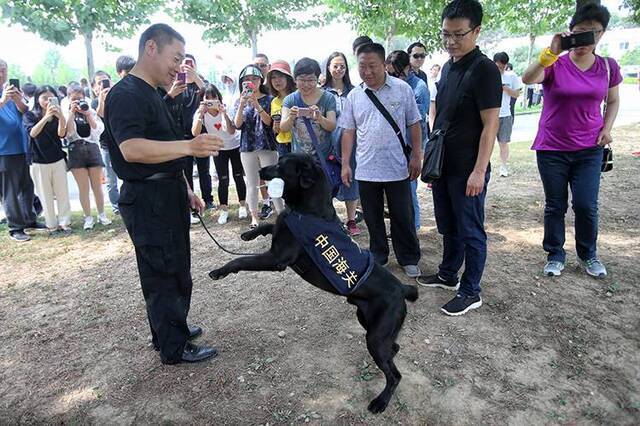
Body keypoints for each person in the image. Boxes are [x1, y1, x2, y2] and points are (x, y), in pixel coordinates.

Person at [104, 23, 223, 365]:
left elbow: (166, 148)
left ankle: (171, 330)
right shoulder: (126, 94)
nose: (179, 67)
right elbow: (131, 149)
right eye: (176, 58)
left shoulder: (154, 93)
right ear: (152, 48)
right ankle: (174, 346)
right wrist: (190, 145)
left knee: (175, 268)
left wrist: (186, 189)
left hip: (167, 190)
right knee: (163, 272)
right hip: (147, 198)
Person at [522, 3, 621, 279]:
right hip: (552, 147)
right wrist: (551, 52)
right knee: (555, 204)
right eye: (578, 33)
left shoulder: (608, 67)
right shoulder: (556, 63)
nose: (584, 40)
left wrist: (607, 127)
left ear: (602, 34)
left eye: (592, 33)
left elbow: (612, 101)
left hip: (590, 148)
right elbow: (527, 78)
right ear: (569, 33)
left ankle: (588, 254)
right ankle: (555, 253)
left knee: (587, 205)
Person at [416, 0, 501, 317]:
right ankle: (448, 274)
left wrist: (479, 171)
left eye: (458, 34)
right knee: (447, 224)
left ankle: (471, 291)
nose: (451, 41)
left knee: (471, 229)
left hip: (468, 168)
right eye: (445, 34)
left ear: (476, 31)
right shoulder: (449, 66)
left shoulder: (485, 70)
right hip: (444, 166)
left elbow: (490, 125)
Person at [340, 43, 423, 278]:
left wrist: (417, 155)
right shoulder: (354, 95)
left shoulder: (402, 89)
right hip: (366, 169)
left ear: (383, 64)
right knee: (373, 217)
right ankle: (379, 255)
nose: (367, 72)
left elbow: (414, 123)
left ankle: (408, 257)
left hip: (397, 167)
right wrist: (346, 163)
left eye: (372, 66)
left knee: (402, 216)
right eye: (362, 66)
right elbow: (348, 131)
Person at [233, 64, 283, 229]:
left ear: (261, 80)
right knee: (252, 183)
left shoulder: (270, 100)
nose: (250, 82)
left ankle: (281, 215)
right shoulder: (239, 101)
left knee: (273, 181)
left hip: (267, 145)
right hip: (247, 147)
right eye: (246, 80)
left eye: (254, 79)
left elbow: (269, 122)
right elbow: (237, 125)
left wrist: (257, 104)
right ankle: (254, 216)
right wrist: (242, 104)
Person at [385, 50, 430, 232]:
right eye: (389, 73)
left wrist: (416, 155)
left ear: (407, 68)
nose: (392, 77)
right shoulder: (389, 86)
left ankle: (413, 227)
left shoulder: (419, 88)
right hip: (393, 146)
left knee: (409, 189)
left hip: (411, 146)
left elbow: (416, 123)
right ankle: (400, 227)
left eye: (396, 73)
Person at [0, 59, 45, 242]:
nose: (2, 73)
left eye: (4, 69)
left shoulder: (12, 91)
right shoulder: (4, 96)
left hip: (22, 146)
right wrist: (3, 100)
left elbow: (26, 112)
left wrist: (18, 100)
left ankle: (29, 219)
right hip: (4, 150)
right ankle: (15, 227)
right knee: (10, 190)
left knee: (27, 186)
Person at [163, 54, 213, 216]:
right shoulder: (176, 83)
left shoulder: (201, 82)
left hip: (200, 133)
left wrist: (196, 77)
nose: (187, 67)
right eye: (184, 64)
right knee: (186, 171)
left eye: (190, 64)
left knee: (204, 169)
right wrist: (173, 89)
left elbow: (210, 94)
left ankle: (208, 199)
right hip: (181, 135)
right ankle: (189, 201)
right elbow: (166, 104)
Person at [192, 83, 247, 225]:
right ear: (202, 99)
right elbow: (195, 133)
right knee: (223, 179)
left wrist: (224, 114)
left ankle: (242, 205)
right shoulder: (200, 113)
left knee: (238, 176)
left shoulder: (225, 109)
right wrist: (200, 115)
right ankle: (224, 210)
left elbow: (230, 131)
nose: (211, 100)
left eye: (214, 97)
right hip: (219, 149)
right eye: (207, 97)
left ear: (218, 97)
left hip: (234, 146)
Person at [22, 85, 71, 236]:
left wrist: (61, 116)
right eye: (44, 98)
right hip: (38, 161)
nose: (47, 101)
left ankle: (65, 222)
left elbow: (62, 134)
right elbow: (33, 133)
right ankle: (51, 225)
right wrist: (45, 117)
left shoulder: (57, 115)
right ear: (37, 99)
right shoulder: (30, 115)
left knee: (62, 193)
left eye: (51, 98)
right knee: (45, 194)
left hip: (57, 159)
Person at [322, 51, 361, 236]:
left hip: (350, 144)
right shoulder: (321, 92)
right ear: (329, 67)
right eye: (335, 65)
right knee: (327, 179)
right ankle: (330, 218)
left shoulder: (355, 91)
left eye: (342, 66)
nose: (339, 69)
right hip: (327, 142)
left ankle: (351, 219)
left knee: (350, 180)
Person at [64, 82, 112, 230]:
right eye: (74, 99)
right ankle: (88, 217)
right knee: (83, 188)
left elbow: (97, 130)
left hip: (92, 148)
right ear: (69, 99)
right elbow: (69, 133)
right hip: (76, 150)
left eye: (80, 98)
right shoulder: (67, 112)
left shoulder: (89, 110)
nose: (78, 102)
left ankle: (102, 214)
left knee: (97, 186)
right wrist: (72, 113)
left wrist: (87, 113)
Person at [92, 70, 120, 214]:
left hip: (121, 143)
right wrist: (102, 99)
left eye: (106, 81)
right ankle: (116, 207)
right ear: (94, 87)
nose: (103, 85)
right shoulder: (95, 102)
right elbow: (100, 115)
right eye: (99, 83)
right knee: (111, 179)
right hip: (106, 146)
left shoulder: (118, 96)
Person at [494, 52, 522, 177]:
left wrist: (506, 89)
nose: (500, 69)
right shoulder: (488, 76)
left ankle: (503, 166)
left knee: (503, 142)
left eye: (502, 67)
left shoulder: (511, 76)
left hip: (505, 114)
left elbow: (516, 94)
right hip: (491, 115)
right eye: (498, 66)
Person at [266, 60, 295, 156]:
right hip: (282, 145)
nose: (277, 80)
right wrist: (275, 128)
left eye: (281, 76)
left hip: (297, 143)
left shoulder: (297, 96)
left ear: (288, 78)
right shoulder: (274, 101)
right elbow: (276, 130)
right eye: (273, 77)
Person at [428, 64, 441, 130]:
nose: (435, 71)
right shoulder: (427, 80)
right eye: (434, 69)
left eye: (437, 70)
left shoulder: (437, 82)